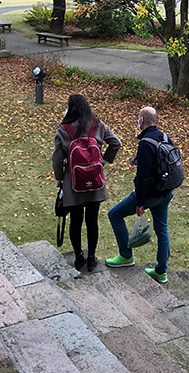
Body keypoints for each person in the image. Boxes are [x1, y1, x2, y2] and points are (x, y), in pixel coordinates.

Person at [106, 105, 174, 283]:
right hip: (165, 193)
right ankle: (161, 271)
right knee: (162, 230)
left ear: (142, 120)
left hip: (150, 194)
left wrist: (140, 203)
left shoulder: (145, 143)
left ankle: (126, 256)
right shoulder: (166, 137)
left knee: (114, 214)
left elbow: (143, 177)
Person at [53, 94, 121, 271]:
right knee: (92, 221)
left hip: (73, 183)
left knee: (76, 221)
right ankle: (91, 258)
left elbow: (57, 159)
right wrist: (104, 161)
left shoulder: (63, 129)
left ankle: (78, 257)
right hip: (95, 182)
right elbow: (116, 143)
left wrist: (59, 178)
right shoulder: (97, 125)